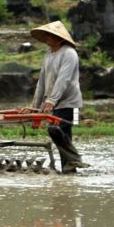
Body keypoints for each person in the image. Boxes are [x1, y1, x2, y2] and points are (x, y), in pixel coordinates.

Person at [26, 20, 88, 173]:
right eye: (46, 35)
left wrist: (51, 100)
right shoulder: (49, 54)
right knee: (57, 131)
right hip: (54, 102)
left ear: (59, 38)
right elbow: (42, 81)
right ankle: (69, 167)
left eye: (50, 35)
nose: (47, 38)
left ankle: (73, 161)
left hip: (70, 102)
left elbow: (64, 79)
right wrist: (35, 106)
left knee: (60, 130)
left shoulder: (69, 53)